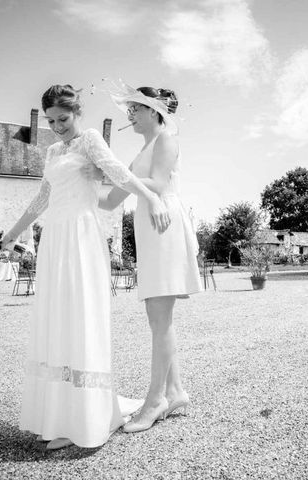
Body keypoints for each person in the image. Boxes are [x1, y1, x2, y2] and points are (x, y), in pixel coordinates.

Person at [1, 84, 171, 450]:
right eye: (51, 120)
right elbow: (43, 197)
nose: (58, 126)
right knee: (56, 319)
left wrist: (152, 197)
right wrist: (11, 233)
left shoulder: (90, 139)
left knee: (80, 319)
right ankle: (59, 415)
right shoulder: (50, 150)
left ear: (77, 114)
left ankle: (88, 416)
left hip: (81, 236)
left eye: (63, 118)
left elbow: (117, 172)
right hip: (55, 239)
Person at [98, 84, 201, 433]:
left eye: (136, 109)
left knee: (160, 315)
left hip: (164, 226)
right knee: (157, 317)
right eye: (129, 110)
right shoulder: (137, 155)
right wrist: (78, 188)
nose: (131, 115)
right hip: (149, 231)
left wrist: (115, 175)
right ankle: (175, 390)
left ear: (155, 112)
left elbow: (156, 183)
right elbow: (111, 201)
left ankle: (155, 399)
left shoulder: (166, 141)